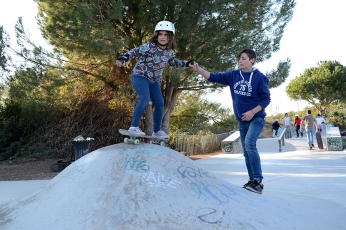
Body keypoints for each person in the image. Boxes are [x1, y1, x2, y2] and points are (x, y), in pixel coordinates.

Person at [190, 48, 270, 194]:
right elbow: (214, 77)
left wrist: (252, 112)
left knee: (249, 144)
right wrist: (198, 69)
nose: (240, 60)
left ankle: (258, 181)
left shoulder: (259, 77)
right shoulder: (234, 75)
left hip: (256, 118)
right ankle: (252, 180)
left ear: (252, 60)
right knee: (246, 151)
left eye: (244, 58)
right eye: (239, 58)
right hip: (242, 120)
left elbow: (266, 99)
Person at [116, 21, 195, 138]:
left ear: (170, 38)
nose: (163, 37)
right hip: (140, 76)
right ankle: (133, 127)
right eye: (160, 34)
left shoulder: (169, 52)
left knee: (160, 103)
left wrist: (188, 63)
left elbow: (174, 62)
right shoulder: (149, 46)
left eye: (166, 35)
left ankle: (157, 130)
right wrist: (123, 58)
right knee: (145, 97)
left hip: (154, 81)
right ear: (156, 36)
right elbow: (135, 51)